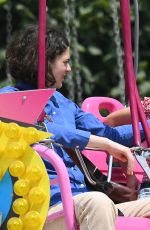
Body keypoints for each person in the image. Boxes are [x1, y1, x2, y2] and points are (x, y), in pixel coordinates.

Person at [1, 25, 150, 230]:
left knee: (102, 202)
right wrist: (105, 144)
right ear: (43, 63)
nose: (69, 69)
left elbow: (111, 134)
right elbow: (46, 130)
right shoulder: (9, 99)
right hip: (43, 208)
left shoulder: (64, 104)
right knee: (97, 202)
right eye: (65, 62)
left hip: (85, 203)